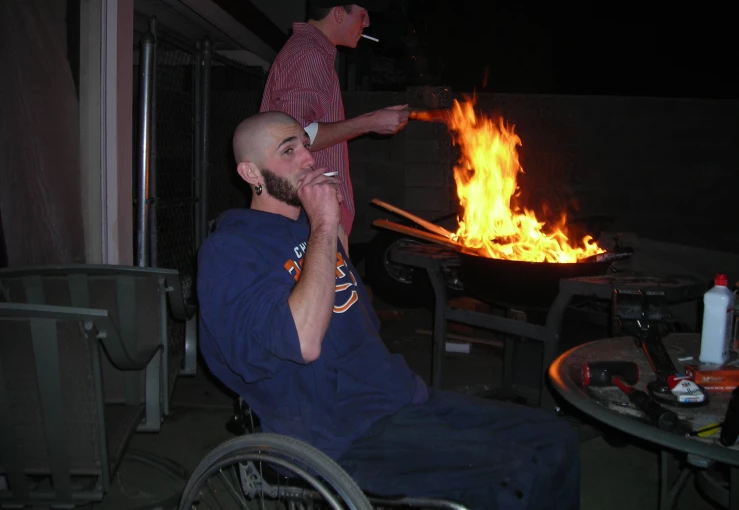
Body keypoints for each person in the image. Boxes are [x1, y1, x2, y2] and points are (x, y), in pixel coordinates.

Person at [197, 111, 581, 510]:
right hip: (337, 430)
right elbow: (304, 342)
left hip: (398, 397)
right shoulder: (231, 250)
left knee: (556, 439)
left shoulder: (309, 230)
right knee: (515, 474)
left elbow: (355, 319)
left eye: (306, 147)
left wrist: (330, 231)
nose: (309, 159)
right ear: (251, 173)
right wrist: (326, 224)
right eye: (288, 150)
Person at [259, 0, 410, 254]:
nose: (367, 22)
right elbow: (295, 137)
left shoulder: (315, 52)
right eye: (363, 14)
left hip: (311, 216)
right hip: (306, 218)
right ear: (339, 14)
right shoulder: (308, 53)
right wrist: (370, 122)